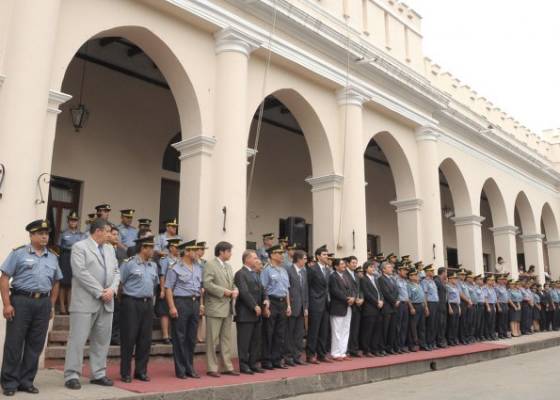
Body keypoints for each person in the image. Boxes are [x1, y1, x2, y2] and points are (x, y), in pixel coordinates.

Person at [0, 219, 62, 396]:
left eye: (47, 233)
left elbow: (56, 282)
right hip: (21, 301)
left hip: (42, 303)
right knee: (14, 343)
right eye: (41, 233)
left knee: (35, 345)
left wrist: (51, 305)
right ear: (31, 235)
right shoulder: (19, 253)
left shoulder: (52, 257)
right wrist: (7, 304)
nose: (45, 236)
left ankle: (26, 381)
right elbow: (4, 278)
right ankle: (9, 382)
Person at [64, 218, 119, 390]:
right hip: (85, 302)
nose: (111, 235)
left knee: (102, 341)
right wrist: (100, 291)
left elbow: (116, 271)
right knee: (77, 340)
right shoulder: (80, 247)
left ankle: (98, 373)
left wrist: (112, 290)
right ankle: (72, 375)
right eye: (108, 231)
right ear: (98, 231)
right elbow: (81, 273)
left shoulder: (110, 249)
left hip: (107, 301)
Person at [119, 236, 158, 382]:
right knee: (129, 338)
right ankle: (125, 372)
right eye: (151, 248)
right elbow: (119, 283)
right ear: (143, 248)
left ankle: (141, 371)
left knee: (145, 339)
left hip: (147, 304)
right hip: (131, 303)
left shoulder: (153, 265)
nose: (153, 250)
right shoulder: (129, 263)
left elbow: (153, 285)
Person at [166, 240, 204, 379]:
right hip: (181, 302)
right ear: (187, 252)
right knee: (179, 337)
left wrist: (201, 304)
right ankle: (180, 369)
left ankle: (190, 367)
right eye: (194, 250)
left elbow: (200, 288)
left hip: (194, 302)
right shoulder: (174, 267)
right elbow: (169, 288)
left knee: (191, 337)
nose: (197, 253)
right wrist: (172, 307)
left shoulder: (198, 267)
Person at [203, 241, 239, 377]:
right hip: (215, 306)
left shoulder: (229, 266)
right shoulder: (210, 264)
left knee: (226, 339)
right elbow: (207, 283)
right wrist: (224, 291)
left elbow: (233, 283)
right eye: (229, 251)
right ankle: (212, 368)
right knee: (212, 340)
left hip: (227, 307)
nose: (230, 254)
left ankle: (226, 366)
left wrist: (235, 289)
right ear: (221, 252)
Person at [234, 250, 267, 374]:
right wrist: (254, 306)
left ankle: (253, 363)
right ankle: (243, 365)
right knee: (244, 341)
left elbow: (263, 289)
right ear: (247, 259)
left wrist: (266, 300)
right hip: (245, 313)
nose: (256, 259)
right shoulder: (240, 274)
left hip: (257, 314)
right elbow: (244, 292)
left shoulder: (255, 273)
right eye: (254, 257)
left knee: (256, 340)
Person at [261, 245, 291, 369]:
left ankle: (277, 359)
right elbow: (263, 289)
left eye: (282, 253)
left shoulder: (283, 270)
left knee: (280, 333)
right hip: (272, 302)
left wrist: (288, 305)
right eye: (279, 253)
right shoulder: (267, 270)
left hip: (282, 302)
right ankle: (267, 360)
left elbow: (287, 290)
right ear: (272, 255)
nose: (282, 255)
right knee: (269, 332)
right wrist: (266, 306)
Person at [305, 245, 332, 364]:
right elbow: (308, 286)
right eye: (324, 255)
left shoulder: (327, 269)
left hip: (325, 303)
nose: (327, 256)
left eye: (327, 254)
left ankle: (322, 354)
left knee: (324, 331)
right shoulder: (312, 269)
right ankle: (310, 355)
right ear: (318, 256)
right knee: (314, 331)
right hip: (315, 303)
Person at [57, 211, 84, 315]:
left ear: (77, 222)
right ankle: (62, 307)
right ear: (68, 221)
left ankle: (69, 306)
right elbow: (58, 247)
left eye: (75, 220)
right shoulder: (63, 233)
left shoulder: (80, 235)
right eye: (71, 220)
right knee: (63, 284)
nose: (73, 222)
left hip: (76, 258)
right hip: (65, 258)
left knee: (72, 284)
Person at [285, 250, 309, 366]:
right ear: (298, 259)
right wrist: (288, 304)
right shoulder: (288, 270)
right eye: (304, 258)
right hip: (292, 306)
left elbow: (305, 290)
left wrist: (306, 306)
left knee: (299, 333)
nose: (306, 260)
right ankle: (288, 357)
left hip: (301, 307)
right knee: (290, 333)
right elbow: (287, 289)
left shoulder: (304, 272)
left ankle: (297, 356)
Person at [156, 238, 181, 345]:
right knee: (165, 312)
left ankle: (172, 334)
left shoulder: (180, 260)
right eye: (176, 247)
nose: (178, 249)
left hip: (177, 290)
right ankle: (165, 335)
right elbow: (162, 275)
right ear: (170, 248)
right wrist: (162, 290)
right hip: (166, 288)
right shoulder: (165, 259)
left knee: (173, 313)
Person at [328, 258, 354, 361]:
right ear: (336, 266)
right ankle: (335, 353)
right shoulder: (333, 276)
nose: (344, 265)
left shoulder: (346, 276)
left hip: (348, 306)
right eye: (342, 264)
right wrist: (347, 299)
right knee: (337, 331)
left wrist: (353, 297)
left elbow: (352, 289)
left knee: (345, 330)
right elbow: (334, 291)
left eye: (344, 264)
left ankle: (343, 352)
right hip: (338, 306)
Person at [360, 261, 384, 357]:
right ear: (366, 269)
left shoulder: (376, 278)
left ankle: (375, 349)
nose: (373, 269)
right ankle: (367, 349)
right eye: (371, 267)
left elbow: (380, 292)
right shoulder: (363, 279)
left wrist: (381, 300)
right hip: (369, 308)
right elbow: (366, 293)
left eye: (373, 267)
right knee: (368, 330)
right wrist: (376, 302)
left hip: (378, 308)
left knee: (377, 329)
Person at [378, 261, 399, 354]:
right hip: (387, 306)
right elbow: (385, 293)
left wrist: (397, 300)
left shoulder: (392, 279)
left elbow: (396, 291)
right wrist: (394, 301)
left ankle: (390, 347)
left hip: (394, 307)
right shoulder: (381, 279)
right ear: (383, 270)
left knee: (392, 328)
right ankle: (382, 348)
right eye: (389, 267)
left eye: (391, 267)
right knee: (384, 329)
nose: (391, 269)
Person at [344, 256, 363, 357]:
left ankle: (354, 349)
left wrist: (362, 298)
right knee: (347, 328)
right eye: (353, 263)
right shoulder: (344, 274)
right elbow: (347, 290)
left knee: (355, 328)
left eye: (356, 263)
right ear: (347, 263)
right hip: (349, 304)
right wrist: (355, 298)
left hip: (358, 305)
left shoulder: (356, 275)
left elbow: (360, 289)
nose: (355, 265)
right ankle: (346, 348)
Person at [407, 268, 427, 352]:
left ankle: (422, 343)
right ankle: (413, 344)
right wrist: (411, 307)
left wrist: (426, 307)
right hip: (415, 306)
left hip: (421, 305)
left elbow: (423, 297)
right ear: (410, 277)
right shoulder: (408, 285)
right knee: (413, 326)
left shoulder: (418, 285)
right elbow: (408, 298)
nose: (416, 276)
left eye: (416, 275)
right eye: (414, 275)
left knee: (421, 326)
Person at [420, 264, 438, 350]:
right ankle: (427, 343)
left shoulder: (432, 281)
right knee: (429, 324)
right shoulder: (424, 282)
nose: (433, 272)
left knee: (434, 324)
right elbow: (425, 295)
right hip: (430, 303)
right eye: (431, 271)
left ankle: (432, 342)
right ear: (426, 272)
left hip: (435, 303)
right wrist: (426, 307)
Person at [395, 263, 410, 353]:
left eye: (406, 270)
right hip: (399, 304)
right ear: (398, 271)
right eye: (404, 270)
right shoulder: (395, 280)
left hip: (405, 304)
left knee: (404, 326)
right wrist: (396, 300)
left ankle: (402, 345)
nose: (405, 272)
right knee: (398, 326)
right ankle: (397, 346)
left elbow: (406, 294)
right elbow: (393, 291)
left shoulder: (405, 281)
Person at [457, 268, 473, 345]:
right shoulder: (458, 283)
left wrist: (469, 301)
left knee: (468, 321)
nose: (463, 276)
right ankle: (462, 338)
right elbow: (460, 294)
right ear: (458, 275)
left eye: (464, 275)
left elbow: (467, 294)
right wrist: (468, 301)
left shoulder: (464, 283)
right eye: (461, 275)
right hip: (462, 303)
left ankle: (467, 337)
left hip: (467, 303)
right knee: (463, 322)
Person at [446, 272, 461, 346]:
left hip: (456, 305)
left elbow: (458, 298)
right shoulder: (447, 287)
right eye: (454, 278)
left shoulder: (456, 287)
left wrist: (459, 307)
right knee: (451, 323)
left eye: (456, 279)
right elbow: (447, 298)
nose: (456, 280)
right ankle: (450, 339)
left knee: (456, 324)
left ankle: (455, 338)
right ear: (450, 279)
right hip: (451, 305)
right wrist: (449, 307)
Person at [482, 275, 498, 340]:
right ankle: (487, 335)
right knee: (488, 321)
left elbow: (494, 298)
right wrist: (488, 307)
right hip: (488, 305)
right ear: (487, 281)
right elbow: (485, 298)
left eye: (493, 280)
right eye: (491, 280)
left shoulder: (493, 288)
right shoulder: (485, 288)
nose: (493, 281)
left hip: (492, 305)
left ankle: (492, 334)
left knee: (492, 321)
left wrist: (494, 306)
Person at [495, 274, 510, 339]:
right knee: (501, 320)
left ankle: (505, 333)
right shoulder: (496, 288)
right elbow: (496, 298)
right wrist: (498, 307)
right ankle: (500, 334)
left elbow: (506, 296)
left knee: (505, 320)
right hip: (500, 304)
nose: (502, 281)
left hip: (505, 304)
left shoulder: (503, 287)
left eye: (503, 279)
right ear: (497, 280)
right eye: (500, 279)